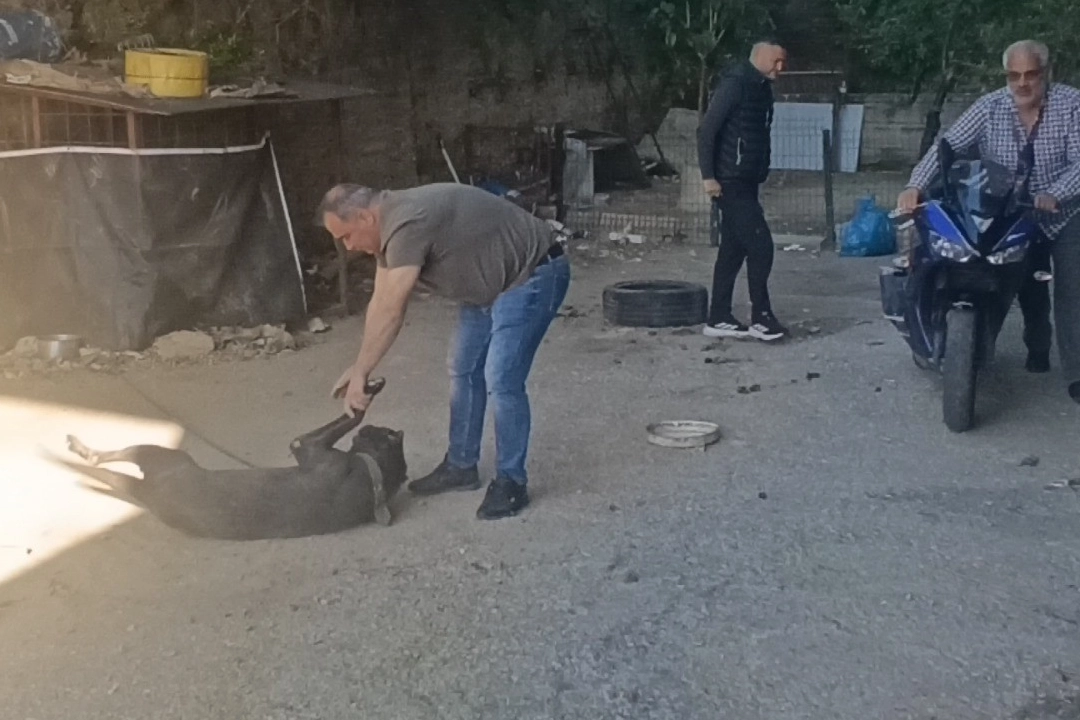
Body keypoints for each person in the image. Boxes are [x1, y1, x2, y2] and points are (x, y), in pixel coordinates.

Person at [318, 182, 571, 519]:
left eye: (347, 236)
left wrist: (363, 371)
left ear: (365, 217)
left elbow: (394, 309)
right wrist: (358, 367)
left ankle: (511, 482)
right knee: (463, 367)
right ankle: (461, 466)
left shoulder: (407, 222)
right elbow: (380, 300)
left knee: (501, 377)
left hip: (532, 273)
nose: (348, 246)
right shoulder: (388, 227)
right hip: (489, 284)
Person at [897, 40, 1080, 403]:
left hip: (1064, 212)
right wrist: (915, 185)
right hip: (1010, 213)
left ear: (1046, 73)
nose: (1022, 83)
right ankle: (1000, 351)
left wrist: (1055, 193)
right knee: (1010, 279)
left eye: (1031, 74)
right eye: (1014, 75)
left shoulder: (1072, 105)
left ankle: (1076, 373)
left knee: (1072, 289)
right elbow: (947, 145)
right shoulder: (989, 107)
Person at [697, 39, 788, 342]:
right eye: (775, 61)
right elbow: (707, 130)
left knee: (733, 249)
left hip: (747, 179)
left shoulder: (761, 89)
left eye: (782, 62)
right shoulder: (735, 85)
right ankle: (761, 317)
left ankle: (718, 316)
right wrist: (709, 176)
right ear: (759, 57)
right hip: (729, 181)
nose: (780, 68)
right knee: (761, 245)